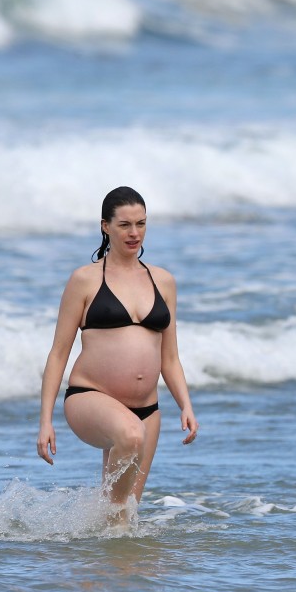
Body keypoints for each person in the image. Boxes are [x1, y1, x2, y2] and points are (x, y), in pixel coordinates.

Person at [37, 186, 198, 519]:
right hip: (89, 398)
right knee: (128, 437)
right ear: (105, 226)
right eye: (125, 224)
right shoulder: (84, 280)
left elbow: (170, 357)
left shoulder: (163, 281)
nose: (134, 233)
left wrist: (186, 405)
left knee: (126, 516)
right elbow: (58, 354)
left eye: (141, 223)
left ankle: (95, 555)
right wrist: (45, 422)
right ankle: (92, 521)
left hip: (148, 410)